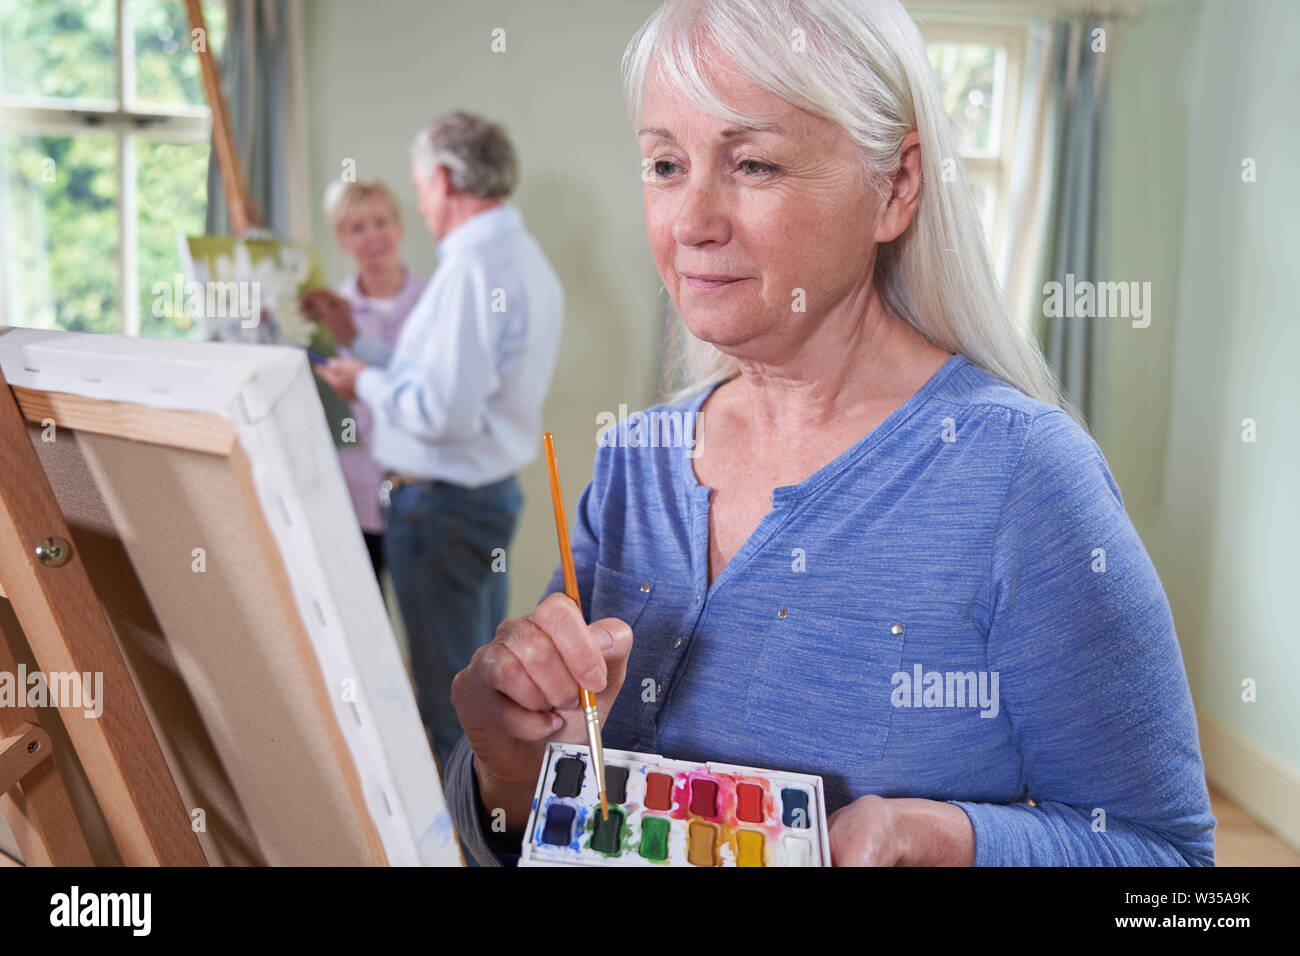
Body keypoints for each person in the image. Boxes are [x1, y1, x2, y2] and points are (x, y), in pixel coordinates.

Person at [443, 0, 1215, 866]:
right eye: (664, 163)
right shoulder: (634, 460)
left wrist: (945, 840)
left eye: (756, 164)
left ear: (895, 188)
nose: (691, 219)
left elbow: (1172, 872)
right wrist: (507, 768)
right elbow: (532, 830)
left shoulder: (1026, 478)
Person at [315, 112, 564, 771]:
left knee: (453, 706)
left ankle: (464, 845)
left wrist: (364, 380)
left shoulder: (471, 271)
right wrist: (365, 350)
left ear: (445, 179)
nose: (421, 202)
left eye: (420, 185)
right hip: (479, 498)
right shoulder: (520, 259)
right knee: (482, 688)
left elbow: (439, 413)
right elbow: (444, 382)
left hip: (440, 511)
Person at [302, 180, 426, 580]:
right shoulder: (328, 313)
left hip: (423, 489)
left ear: (400, 227)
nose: (373, 236)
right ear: (341, 240)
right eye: (357, 228)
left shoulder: (434, 303)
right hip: (352, 490)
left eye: (381, 222)